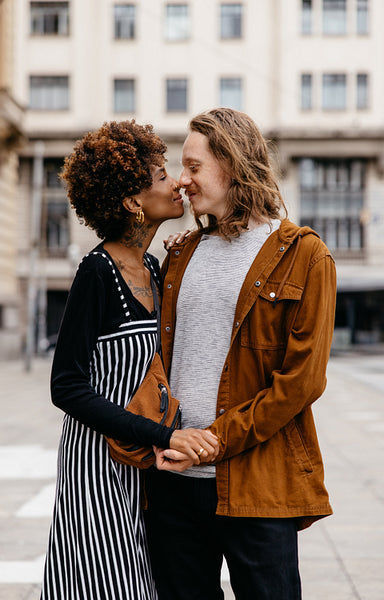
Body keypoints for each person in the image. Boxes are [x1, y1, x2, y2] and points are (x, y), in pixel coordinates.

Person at [144, 108, 337, 600]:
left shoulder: (305, 255)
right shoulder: (181, 252)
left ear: (232, 163)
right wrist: (168, 437)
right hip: (174, 486)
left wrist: (210, 440)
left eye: (193, 166)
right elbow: (160, 356)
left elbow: (302, 381)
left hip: (258, 488)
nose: (182, 181)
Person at [41, 120, 218, 600]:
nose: (177, 182)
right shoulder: (96, 272)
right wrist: (163, 434)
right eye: (162, 176)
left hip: (146, 464)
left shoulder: (156, 269)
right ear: (132, 202)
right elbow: (68, 387)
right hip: (97, 466)